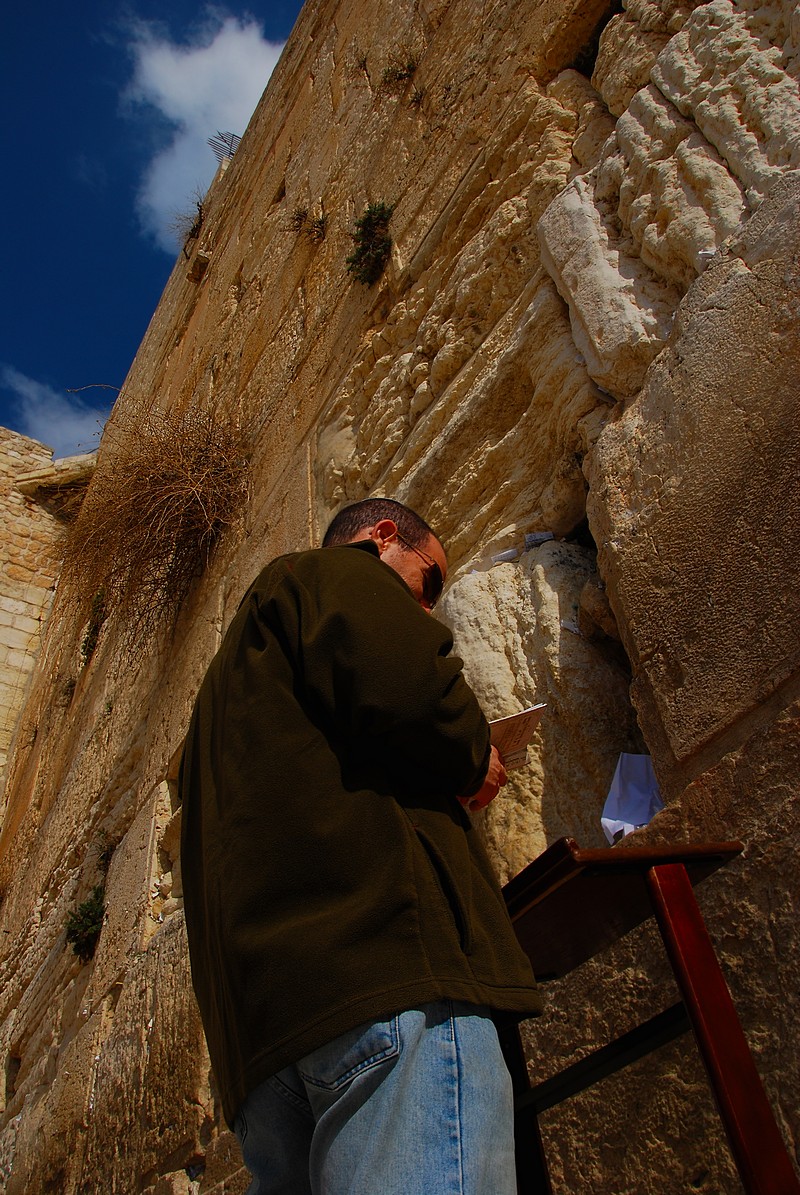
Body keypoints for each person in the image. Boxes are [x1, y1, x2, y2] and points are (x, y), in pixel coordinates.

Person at [179, 497, 541, 1195]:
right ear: (382, 539)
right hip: (384, 990)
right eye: (429, 580)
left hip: (265, 1049)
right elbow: (417, 693)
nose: (426, 610)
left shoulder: (225, 695)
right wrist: (474, 754)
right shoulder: (334, 574)